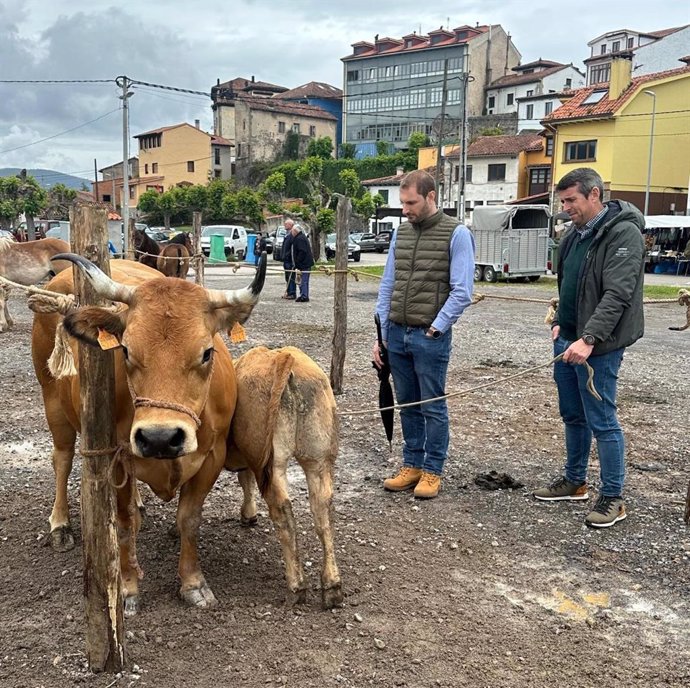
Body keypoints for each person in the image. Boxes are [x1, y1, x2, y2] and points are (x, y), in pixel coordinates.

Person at [534, 167, 645, 528]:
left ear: (594, 194)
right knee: (572, 414)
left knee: (603, 420)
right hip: (568, 340)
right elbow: (569, 288)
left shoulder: (624, 234)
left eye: (572, 200)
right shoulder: (573, 236)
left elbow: (618, 295)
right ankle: (575, 481)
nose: (566, 208)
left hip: (600, 346)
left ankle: (614, 497)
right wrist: (558, 326)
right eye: (563, 201)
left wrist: (589, 339)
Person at [372, 170, 475, 499]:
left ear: (431, 197)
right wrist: (381, 334)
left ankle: (432, 471)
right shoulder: (400, 235)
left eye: (411, 202)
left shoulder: (456, 234)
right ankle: (411, 464)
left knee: (432, 405)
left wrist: (437, 326)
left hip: (428, 337)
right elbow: (388, 284)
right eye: (402, 203)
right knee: (407, 405)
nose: (405, 209)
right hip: (397, 335)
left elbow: (462, 291)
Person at [290, 222, 314, 303]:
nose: (291, 233)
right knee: (301, 280)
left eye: (292, 231)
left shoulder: (300, 238)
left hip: (304, 264)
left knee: (304, 280)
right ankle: (303, 294)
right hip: (303, 263)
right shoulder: (300, 237)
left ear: (295, 231)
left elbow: (302, 251)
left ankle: (304, 296)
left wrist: (298, 261)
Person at [281, 219, 296, 300]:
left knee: (291, 277)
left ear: (291, 225)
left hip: (289, 260)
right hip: (285, 259)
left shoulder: (292, 235)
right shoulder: (286, 234)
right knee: (287, 277)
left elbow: (292, 249)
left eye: (286, 224)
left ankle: (292, 293)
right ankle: (288, 291)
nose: (284, 225)